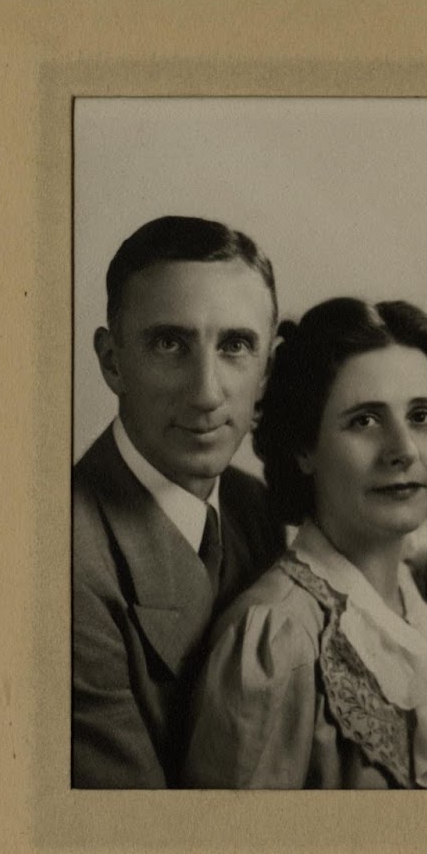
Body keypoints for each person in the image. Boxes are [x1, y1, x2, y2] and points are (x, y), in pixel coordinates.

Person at [183, 297, 427, 790]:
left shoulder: (419, 600)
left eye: (422, 416)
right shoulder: (277, 639)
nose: (402, 450)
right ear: (304, 447)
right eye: (365, 421)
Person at [72, 216, 286, 789]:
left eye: (236, 346)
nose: (207, 393)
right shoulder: (67, 562)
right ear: (112, 361)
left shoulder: (253, 505)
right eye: (170, 344)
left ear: (267, 369)